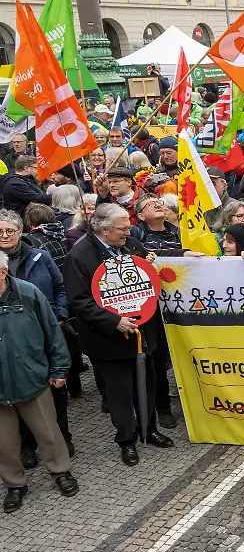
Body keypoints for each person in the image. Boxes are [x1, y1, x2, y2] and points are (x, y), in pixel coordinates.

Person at [64, 204, 175, 466]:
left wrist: (177, 256)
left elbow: (150, 261)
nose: (129, 232)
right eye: (123, 229)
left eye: (128, 227)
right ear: (104, 230)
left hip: (142, 334)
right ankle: (127, 440)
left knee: (146, 385)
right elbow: (78, 301)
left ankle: (149, 429)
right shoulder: (79, 256)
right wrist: (114, 321)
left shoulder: (130, 244)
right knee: (120, 394)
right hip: (109, 341)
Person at [0, 250, 78, 513]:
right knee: (4, 442)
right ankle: (15, 485)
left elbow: (52, 332)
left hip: (31, 377)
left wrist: (59, 369)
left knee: (47, 431)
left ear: (3, 272)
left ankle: (61, 471)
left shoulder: (28, 293)